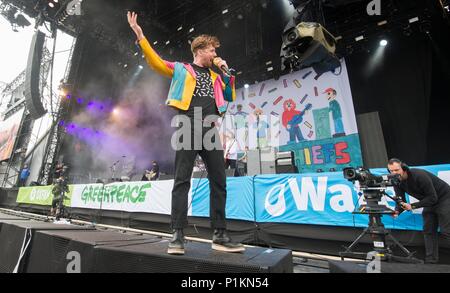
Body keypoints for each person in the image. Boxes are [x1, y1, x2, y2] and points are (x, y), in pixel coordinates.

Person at [128, 12, 244, 255]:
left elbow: (230, 95)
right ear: (200, 49)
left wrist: (226, 72)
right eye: (212, 50)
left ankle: (220, 234)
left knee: (220, 182)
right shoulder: (183, 69)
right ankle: (178, 234)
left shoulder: (217, 75)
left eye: (215, 52)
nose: (215, 55)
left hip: (211, 128)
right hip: (188, 124)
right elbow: (157, 63)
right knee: (182, 181)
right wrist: (141, 37)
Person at [388, 158, 450, 264]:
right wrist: (397, 211)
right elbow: (400, 200)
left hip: (444, 198)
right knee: (428, 230)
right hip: (429, 201)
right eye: (391, 171)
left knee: (446, 230)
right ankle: (431, 261)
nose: (394, 173)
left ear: (403, 168)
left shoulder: (419, 175)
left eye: (396, 170)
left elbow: (433, 197)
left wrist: (413, 206)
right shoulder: (396, 181)